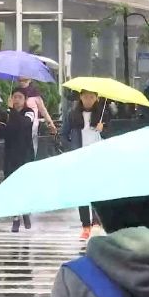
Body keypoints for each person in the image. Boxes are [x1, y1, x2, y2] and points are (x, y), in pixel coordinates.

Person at [61, 89, 111, 240]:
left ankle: (97, 222)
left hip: (97, 157)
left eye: (91, 97)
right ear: (80, 97)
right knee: (82, 192)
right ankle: (85, 226)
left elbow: (110, 135)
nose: (88, 100)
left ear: (96, 98)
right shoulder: (72, 114)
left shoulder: (103, 114)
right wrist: (71, 148)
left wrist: (103, 130)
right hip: (80, 157)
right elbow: (64, 134)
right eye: (85, 97)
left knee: (96, 190)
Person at [0, 88, 35, 232]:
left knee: (24, 186)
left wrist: (11, 111)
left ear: (25, 99)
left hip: (25, 154)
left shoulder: (29, 112)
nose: (16, 100)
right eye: (14, 97)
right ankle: (15, 217)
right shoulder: (7, 114)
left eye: (19, 97)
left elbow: (23, 125)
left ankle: (25, 211)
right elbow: (5, 131)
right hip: (10, 154)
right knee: (12, 185)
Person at [17, 78, 57, 156]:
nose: (22, 83)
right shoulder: (16, 93)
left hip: (32, 126)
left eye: (25, 81)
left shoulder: (34, 94)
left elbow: (43, 110)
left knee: (31, 149)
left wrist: (50, 123)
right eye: (20, 81)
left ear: (30, 80)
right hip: (19, 125)